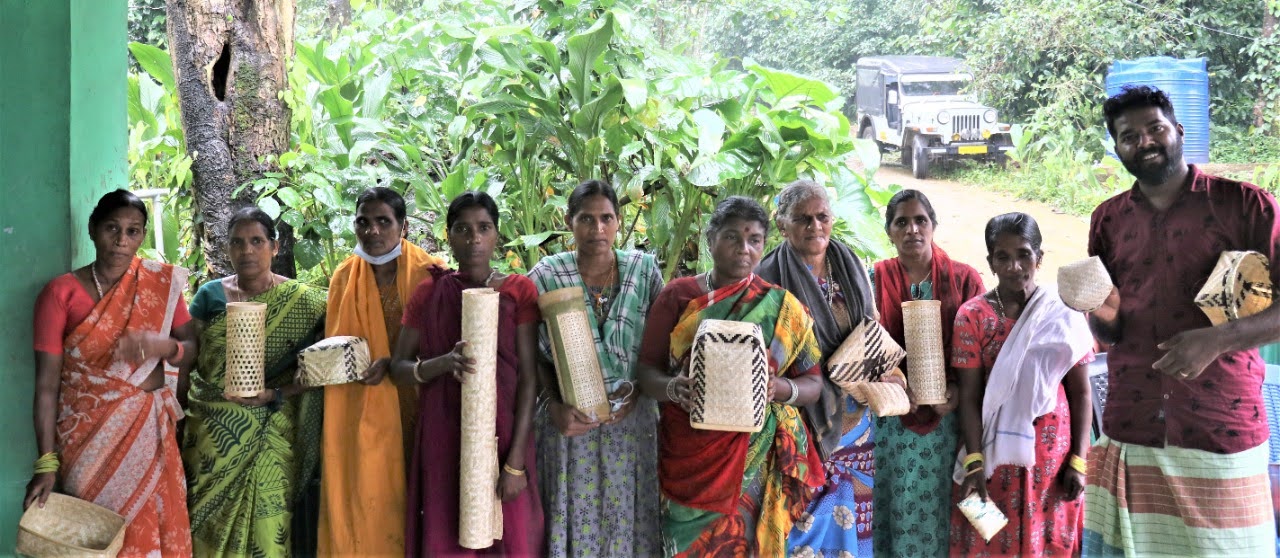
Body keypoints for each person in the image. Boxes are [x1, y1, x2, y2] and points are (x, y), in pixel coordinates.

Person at [1083, 85, 1280, 556]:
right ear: (1117, 148)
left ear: (1179, 131)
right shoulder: (1108, 220)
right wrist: (1097, 312)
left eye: (1156, 128)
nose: (1145, 142)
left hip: (1219, 426)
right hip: (1131, 426)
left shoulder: (1245, 206)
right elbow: (1109, 330)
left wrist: (1217, 341)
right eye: (1129, 136)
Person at [636, 195, 826, 557]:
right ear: (711, 241)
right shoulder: (680, 296)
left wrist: (778, 388)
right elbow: (646, 372)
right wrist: (674, 388)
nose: (744, 248)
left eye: (754, 239)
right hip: (688, 456)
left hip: (753, 457)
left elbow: (813, 384)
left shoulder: (783, 307)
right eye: (732, 237)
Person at [25, 189, 195, 555]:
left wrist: (163, 346)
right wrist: (46, 462)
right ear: (92, 229)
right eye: (111, 228)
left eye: (133, 231)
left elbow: (192, 348)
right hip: (87, 441)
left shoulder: (159, 285)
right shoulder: (60, 294)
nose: (121, 241)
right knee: (97, 537)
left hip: (149, 435)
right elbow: (46, 387)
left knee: (152, 531)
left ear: (143, 236)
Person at [392, 191, 543, 556]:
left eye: (483, 228)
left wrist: (516, 463)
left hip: (505, 433)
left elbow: (528, 378)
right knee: (448, 529)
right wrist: (440, 364)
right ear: (449, 235)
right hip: (444, 434)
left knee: (514, 533)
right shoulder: (430, 292)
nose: (474, 238)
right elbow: (399, 368)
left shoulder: (517, 290)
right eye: (463, 229)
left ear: (496, 235)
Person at [527, 180, 664, 557]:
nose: (597, 229)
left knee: (629, 516)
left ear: (619, 222)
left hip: (632, 423)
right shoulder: (545, 276)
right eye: (586, 219)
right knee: (572, 513)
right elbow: (529, 353)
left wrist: (638, 391)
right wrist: (552, 403)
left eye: (606, 218)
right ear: (569, 221)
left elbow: (662, 343)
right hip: (569, 424)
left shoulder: (643, 270)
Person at [183, 206, 328, 557]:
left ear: (274, 248)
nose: (246, 250)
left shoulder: (304, 302)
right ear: (228, 248)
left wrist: (276, 393)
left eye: (256, 241)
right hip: (212, 428)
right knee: (204, 521)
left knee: (270, 521)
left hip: (273, 429)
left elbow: (321, 369)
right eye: (237, 242)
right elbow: (190, 362)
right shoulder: (209, 297)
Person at [949, 212, 1094, 556]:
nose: (1014, 266)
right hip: (993, 456)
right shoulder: (974, 316)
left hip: (1052, 458)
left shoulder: (1063, 312)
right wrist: (974, 461)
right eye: (1003, 257)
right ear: (990, 262)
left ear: (1039, 258)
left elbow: (1081, 391)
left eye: (1024, 254)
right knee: (991, 540)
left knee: (1050, 540)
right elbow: (969, 396)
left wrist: (1079, 459)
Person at [318, 187, 445, 556]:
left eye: (383, 221)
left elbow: (445, 339)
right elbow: (337, 347)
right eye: (363, 222)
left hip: (421, 404)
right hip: (364, 409)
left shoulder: (430, 274)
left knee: (421, 498)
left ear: (402, 226)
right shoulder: (344, 277)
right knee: (371, 499)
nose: (372, 231)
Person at [755, 180, 878, 557]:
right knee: (803, 519)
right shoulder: (767, 276)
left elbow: (871, 326)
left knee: (856, 517)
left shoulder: (850, 264)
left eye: (822, 216)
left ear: (832, 218)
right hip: (799, 414)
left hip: (858, 416)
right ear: (782, 225)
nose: (814, 226)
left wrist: (873, 370)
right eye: (803, 219)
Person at [871, 189, 985, 556]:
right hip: (892, 420)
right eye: (901, 222)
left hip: (948, 420)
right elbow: (863, 345)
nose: (912, 230)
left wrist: (956, 390)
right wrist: (894, 382)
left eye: (920, 220)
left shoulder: (964, 280)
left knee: (942, 505)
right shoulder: (876, 280)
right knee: (894, 500)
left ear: (933, 226)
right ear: (889, 231)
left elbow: (984, 344)